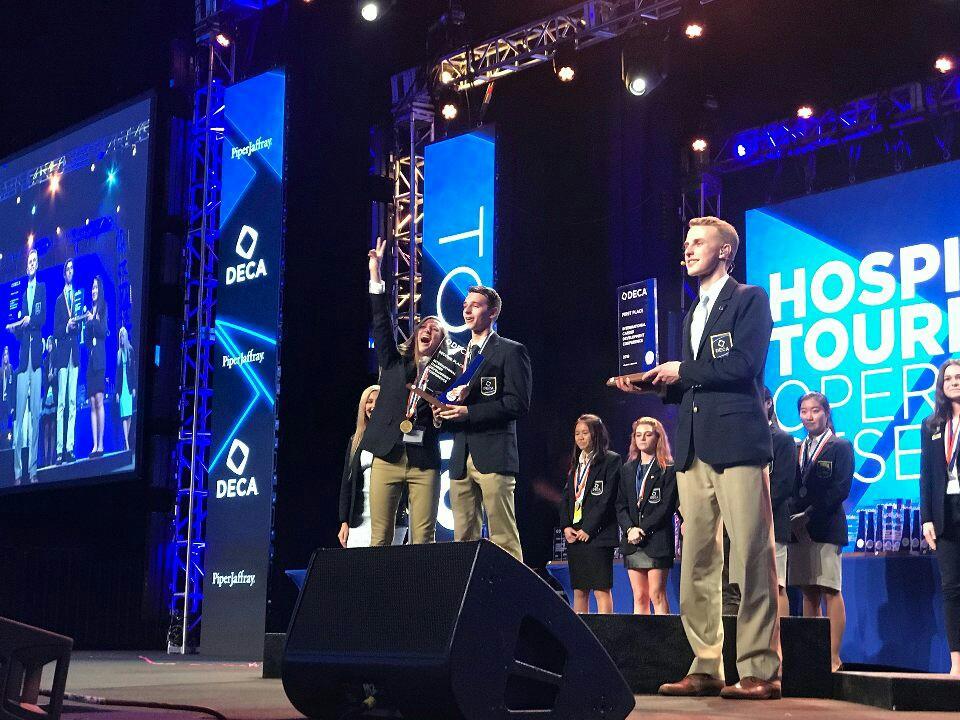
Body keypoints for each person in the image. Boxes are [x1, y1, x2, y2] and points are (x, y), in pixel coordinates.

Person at [615, 216, 780, 699]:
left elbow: (744, 365)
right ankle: (706, 664)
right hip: (691, 447)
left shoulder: (749, 299)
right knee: (698, 561)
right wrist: (651, 384)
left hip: (737, 444)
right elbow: (695, 383)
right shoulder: (691, 313)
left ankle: (759, 669)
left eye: (698, 243)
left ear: (725, 251)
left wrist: (680, 369)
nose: (687, 250)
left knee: (750, 554)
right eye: (685, 243)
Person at [435, 285, 532, 562]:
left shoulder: (511, 351)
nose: (467, 310)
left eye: (475, 305)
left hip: (494, 454)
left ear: (493, 312)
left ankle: (511, 600)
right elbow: (452, 401)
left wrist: (469, 413)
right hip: (460, 455)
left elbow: (517, 404)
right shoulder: (455, 357)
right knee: (462, 539)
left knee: (503, 537)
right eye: (465, 305)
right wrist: (441, 413)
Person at [363, 238, 445, 545]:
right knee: (380, 537)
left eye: (436, 330)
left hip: (424, 461)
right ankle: (377, 594)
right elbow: (382, 322)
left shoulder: (444, 375)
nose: (428, 330)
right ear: (416, 333)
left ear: (440, 343)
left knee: (424, 538)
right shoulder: (394, 362)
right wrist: (376, 274)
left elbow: (447, 415)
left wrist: (439, 419)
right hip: (387, 455)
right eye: (425, 326)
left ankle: (419, 593)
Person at [788, 392, 851, 672]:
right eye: (804, 411)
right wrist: (792, 517)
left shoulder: (841, 446)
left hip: (826, 527)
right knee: (808, 593)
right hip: (799, 530)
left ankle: (833, 656)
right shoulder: (797, 448)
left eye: (815, 411)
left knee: (830, 590)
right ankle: (812, 656)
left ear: (826, 413)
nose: (809, 416)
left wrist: (809, 515)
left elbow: (840, 489)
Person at [919, 358, 960, 677]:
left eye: (959, 377)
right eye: (949, 378)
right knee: (951, 589)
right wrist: (926, 518)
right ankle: (956, 663)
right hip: (945, 515)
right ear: (941, 386)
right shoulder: (932, 425)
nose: (954, 382)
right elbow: (926, 475)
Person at [558, 414, 621, 613]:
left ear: (596, 434)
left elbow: (607, 499)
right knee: (579, 590)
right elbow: (568, 496)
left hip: (598, 535)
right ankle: (580, 638)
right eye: (577, 433)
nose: (580, 437)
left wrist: (589, 528)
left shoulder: (611, 460)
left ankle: (605, 635)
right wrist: (566, 526)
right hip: (576, 534)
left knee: (601, 590)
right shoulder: (577, 461)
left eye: (585, 433)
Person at [616, 416, 679, 615]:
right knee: (639, 596)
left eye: (648, 434)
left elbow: (666, 506)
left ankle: (662, 642)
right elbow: (620, 505)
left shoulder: (668, 469)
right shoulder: (628, 469)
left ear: (657, 438)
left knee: (656, 594)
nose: (642, 439)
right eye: (638, 435)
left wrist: (642, 529)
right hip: (632, 541)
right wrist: (629, 529)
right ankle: (641, 643)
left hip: (657, 540)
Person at [338, 385, 408, 548]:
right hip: (359, 522)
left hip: (393, 522)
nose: (373, 406)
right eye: (369, 401)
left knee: (387, 570)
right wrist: (344, 521)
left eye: (378, 401)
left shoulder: (399, 438)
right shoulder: (355, 440)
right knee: (358, 571)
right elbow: (346, 484)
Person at [8, 247, 46, 485]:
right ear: (26, 266)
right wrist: (16, 328)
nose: (31, 264)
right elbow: (22, 331)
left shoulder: (41, 289)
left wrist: (28, 321)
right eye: (29, 261)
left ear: (38, 264)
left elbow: (41, 320)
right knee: (20, 420)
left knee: (35, 418)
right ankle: (17, 473)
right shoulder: (22, 295)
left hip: (37, 360)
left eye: (34, 261)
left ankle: (33, 470)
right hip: (23, 362)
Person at [766, 387, 798, 619]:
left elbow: (783, 484)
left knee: (776, 586)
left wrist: (755, 511)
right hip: (744, 527)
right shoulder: (742, 439)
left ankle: (780, 648)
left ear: (768, 403)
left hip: (773, 523)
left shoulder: (783, 440)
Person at [54, 258, 81, 464]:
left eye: (72, 268)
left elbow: (79, 324)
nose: (70, 271)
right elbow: (55, 332)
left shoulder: (77, 298)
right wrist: (66, 326)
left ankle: (70, 448)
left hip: (75, 354)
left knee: (73, 402)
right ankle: (59, 450)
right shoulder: (58, 300)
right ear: (64, 274)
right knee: (61, 403)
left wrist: (76, 324)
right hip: (63, 355)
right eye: (68, 268)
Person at [84, 275, 107, 458]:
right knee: (92, 402)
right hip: (90, 360)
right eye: (92, 288)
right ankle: (94, 445)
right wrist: (89, 321)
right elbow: (86, 338)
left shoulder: (103, 307)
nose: (93, 291)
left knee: (99, 400)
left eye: (96, 288)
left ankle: (101, 444)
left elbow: (102, 331)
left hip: (100, 358)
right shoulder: (89, 311)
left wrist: (93, 320)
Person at [116, 326, 135, 450]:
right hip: (121, 387)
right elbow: (117, 374)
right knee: (124, 414)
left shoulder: (130, 350)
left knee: (129, 415)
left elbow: (133, 370)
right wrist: (117, 392)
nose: (122, 338)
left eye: (123, 336)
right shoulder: (119, 353)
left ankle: (126, 439)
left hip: (129, 385)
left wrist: (133, 388)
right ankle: (127, 443)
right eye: (120, 336)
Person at [41, 336, 57, 467]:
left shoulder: (56, 359)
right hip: (47, 396)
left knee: (53, 428)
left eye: (51, 344)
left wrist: (53, 377)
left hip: (54, 396)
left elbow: (56, 379)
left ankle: (52, 458)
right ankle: (46, 459)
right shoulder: (45, 361)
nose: (49, 346)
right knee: (46, 429)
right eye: (48, 344)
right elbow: (44, 381)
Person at [0, 346, 12, 449]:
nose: (5, 358)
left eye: (7, 356)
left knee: (6, 423)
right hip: (0, 401)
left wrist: (11, 405)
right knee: (1, 424)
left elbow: (11, 386)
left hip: (7, 402)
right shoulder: (0, 371)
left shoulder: (10, 369)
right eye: (4, 356)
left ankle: (5, 444)